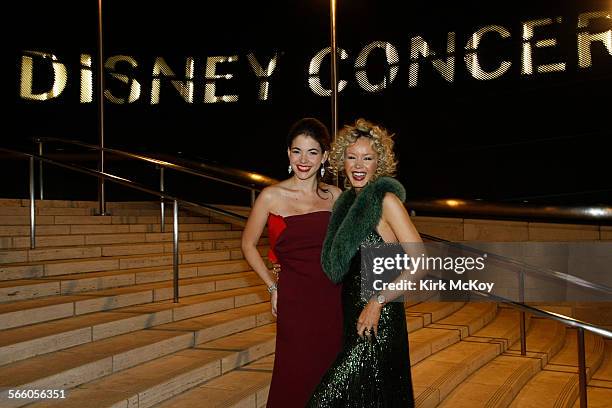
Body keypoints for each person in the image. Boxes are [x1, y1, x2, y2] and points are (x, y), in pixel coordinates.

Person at [307, 118, 422, 407]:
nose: (359, 165)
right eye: (352, 157)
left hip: (378, 320)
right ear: (341, 161)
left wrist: (378, 301)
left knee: (325, 400)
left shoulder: (385, 201)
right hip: (352, 317)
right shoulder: (345, 203)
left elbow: (420, 260)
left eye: (367, 158)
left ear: (377, 163)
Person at [241, 118, 344, 408]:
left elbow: (352, 242)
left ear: (324, 157)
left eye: (312, 152)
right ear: (288, 153)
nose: (303, 160)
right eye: (297, 151)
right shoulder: (271, 196)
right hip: (295, 301)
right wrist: (272, 287)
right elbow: (247, 244)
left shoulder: (335, 197)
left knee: (330, 374)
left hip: (332, 298)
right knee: (294, 374)